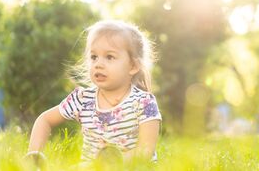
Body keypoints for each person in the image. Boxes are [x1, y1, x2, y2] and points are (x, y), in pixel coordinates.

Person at [26, 20, 161, 165]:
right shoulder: (83, 99)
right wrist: (34, 156)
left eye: (109, 57)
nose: (98, 64)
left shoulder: (144, 102)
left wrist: (111, 164)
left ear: (133, 66)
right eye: (94, 57)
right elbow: (45, 120)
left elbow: (145, 150)